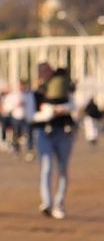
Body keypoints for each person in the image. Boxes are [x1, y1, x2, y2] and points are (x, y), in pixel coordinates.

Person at [32, 62, 77, 219]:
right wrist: (48, 113)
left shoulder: (63, 85)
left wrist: (61, 109)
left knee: (63, 169)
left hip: (64, 132)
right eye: (43, 71)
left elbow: (73, 104)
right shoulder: (37, 92)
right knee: (47, 167)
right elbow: (31, 115)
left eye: (48, 70)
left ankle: (59, 203)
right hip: (44, 132)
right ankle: (47, 202)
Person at [0, 78, 28, 156]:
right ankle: (7, 142)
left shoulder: (15, 95)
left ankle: (17, 144)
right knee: (6, 129)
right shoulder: (1, 95)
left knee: (17, 131)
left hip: (13, 116)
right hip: (5, 116)